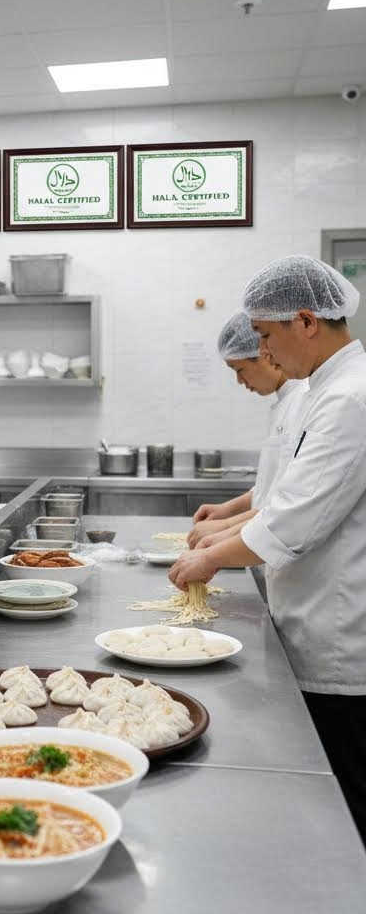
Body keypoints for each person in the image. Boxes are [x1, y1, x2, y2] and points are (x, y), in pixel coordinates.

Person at [168, 255, 366, 840]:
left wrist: (209, 556)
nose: (266, 352)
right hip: (309, 613)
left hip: (337, 632)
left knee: (347, 798)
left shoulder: (350, 397)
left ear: (306, 321)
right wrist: (224, 538)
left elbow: (294, 518)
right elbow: (283, 500)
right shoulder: (325, 389)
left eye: (266, 335)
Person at [188, 312, 309, 552]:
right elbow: (271, 486)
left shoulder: (302, 401)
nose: (240, 381)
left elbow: (288, 504)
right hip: (265, 547)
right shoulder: (283, 403)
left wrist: (225, 528)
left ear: (265, 354)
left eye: (239, 369)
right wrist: (228, 509)